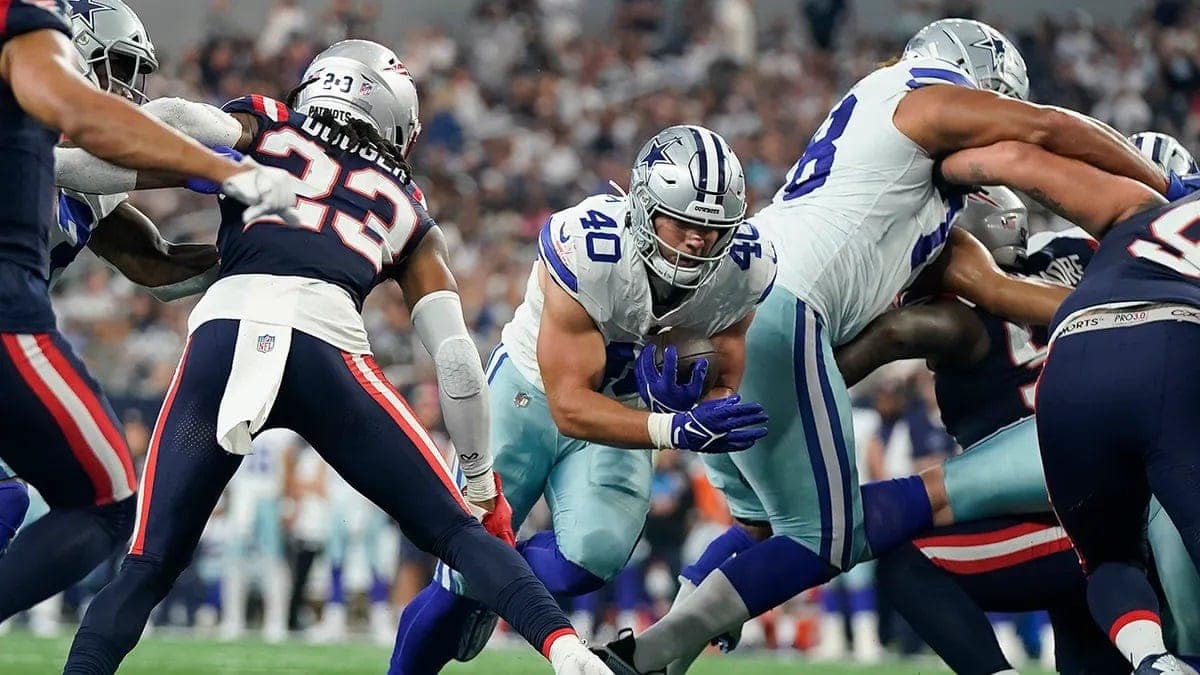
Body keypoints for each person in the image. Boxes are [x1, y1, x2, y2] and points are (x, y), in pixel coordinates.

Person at [597, 18, 1180, 675]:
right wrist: (1161, 194)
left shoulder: (924, 203)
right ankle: (644, 653)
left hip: (759, 316)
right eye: (993, 105)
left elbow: (987, 295)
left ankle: (656, 652)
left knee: (772, 529)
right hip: (780, 302)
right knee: (829, 536)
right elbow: (1036, 131)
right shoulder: (916, 96)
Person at [59, 39, 608, 675]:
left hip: (225, 329)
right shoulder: (410, 210)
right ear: (395, 118)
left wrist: (50, 161)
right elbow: (456, 358)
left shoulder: (268, 120)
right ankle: (571, 657)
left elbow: (179, 120)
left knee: (147, 566)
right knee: (460, 532)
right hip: (326, 341)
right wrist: (482, 481)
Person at [392, 124, 775, 673]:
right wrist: (675, 429)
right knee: (459, 573)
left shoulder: (744, 267)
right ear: (644, 206)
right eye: (685, 222)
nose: (699, 241)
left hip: (626, 415)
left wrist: (708, 403)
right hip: (529, 398)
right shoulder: (591, 248)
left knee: (590, 561)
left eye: (713, 229)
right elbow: (569, 405)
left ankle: (496, 584)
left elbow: (728, 353)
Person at [0, 0, 296, 625]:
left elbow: (155, 265)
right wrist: (219, 170)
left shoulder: (87, 182)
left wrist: (263, 259)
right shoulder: (40, 112)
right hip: (10, 320)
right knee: (104, 503)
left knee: (9, 501)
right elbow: (73, 151)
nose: (129, 90)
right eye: (116, 67)